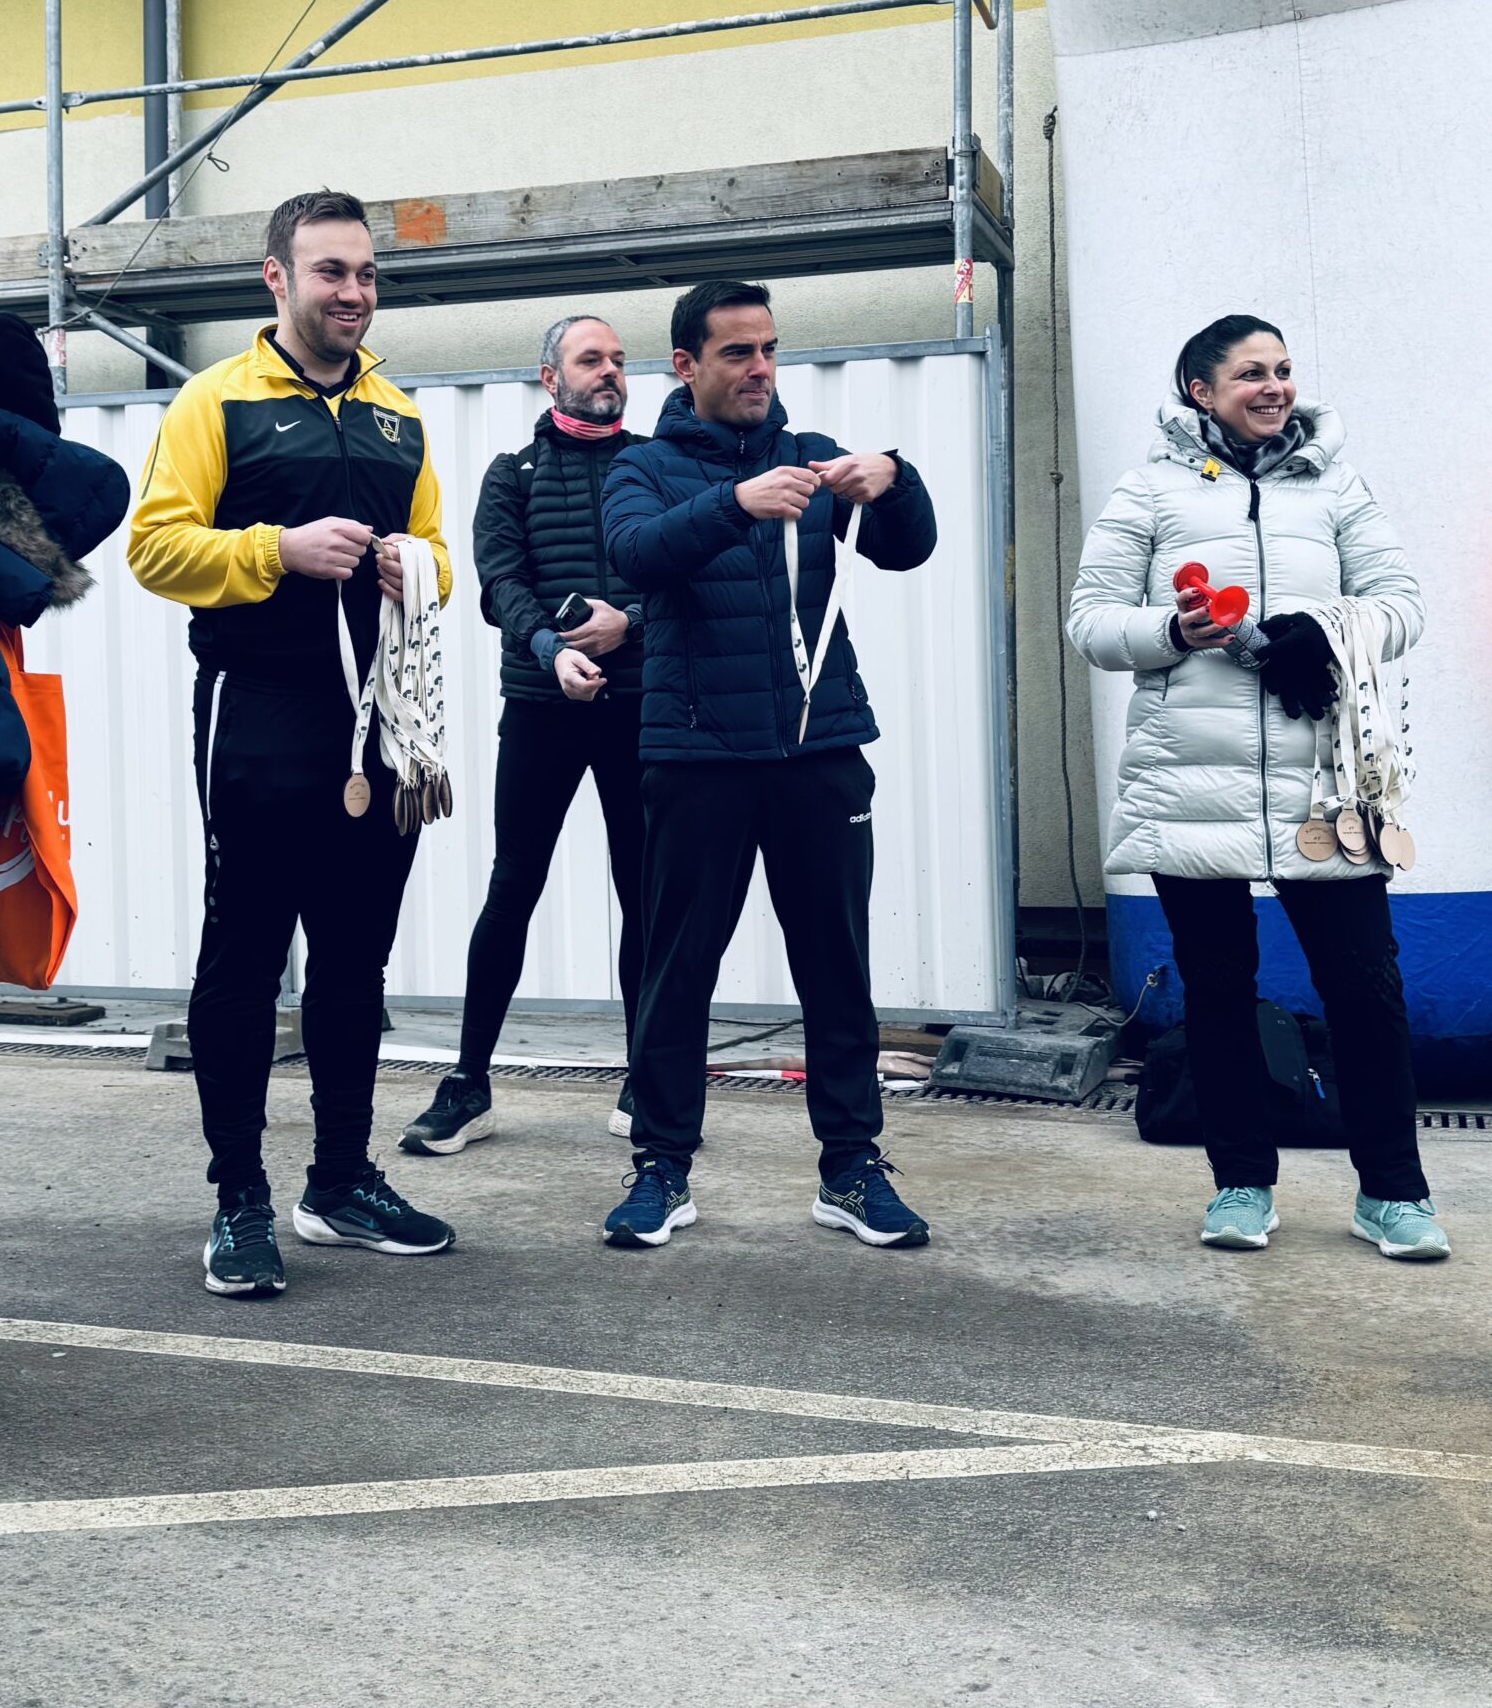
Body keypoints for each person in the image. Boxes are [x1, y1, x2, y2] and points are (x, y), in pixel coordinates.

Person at [128, 188, 457, 1296]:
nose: (353, 292)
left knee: (356, 959)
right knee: (245, 956)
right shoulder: (215, 402)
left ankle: (341, 1182)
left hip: (380, 725)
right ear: (276, 278)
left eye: (365, 273)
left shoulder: (399, 415)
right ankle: (240, 1199)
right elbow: (154, 548)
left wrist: (415, 566)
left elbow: (440, 554)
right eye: (330, 272)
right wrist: (278, 549)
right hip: (258, 713)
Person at [1068, 314, 1446, 1260]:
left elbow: (1403, 604)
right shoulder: (1148, 490)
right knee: (1218, 991)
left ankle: (1393, 1193)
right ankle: (1240, 1185)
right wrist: (1175, 632)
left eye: (1282, 369)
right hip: (1189, 781)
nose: (1274, 387)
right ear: (1201, 391)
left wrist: (1325, 628)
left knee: (1367, 989)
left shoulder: (1335, 483)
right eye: (1250, 373)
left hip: (1325, 784)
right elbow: (1093, 622)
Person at [596, 276, 938, 1252]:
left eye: (769, 349)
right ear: (686, 365)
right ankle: (660, 1167)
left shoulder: (812, 455)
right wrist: (733, 503)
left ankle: (851, 1168)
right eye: (737, 352)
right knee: (677, 971)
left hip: (820, 752)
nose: (759, 369)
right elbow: (633, 554)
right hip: (695, 758)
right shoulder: (643, 465)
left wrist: (895, 479)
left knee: (836, 967)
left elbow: (908, 550)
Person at [401, 315, 648, 1156]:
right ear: (551, 377)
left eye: (619, 360)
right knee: (514, 886)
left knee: (646, 892)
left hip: (640, 707)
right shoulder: (513, 474)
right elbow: (498, 584)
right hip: (544, 706)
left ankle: (647, 1077)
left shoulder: (653, 465)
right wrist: (552, 650)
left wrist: (628, 623)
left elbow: (684, 575)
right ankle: (469, 1084)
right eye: (592, 359)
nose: (610, 371)